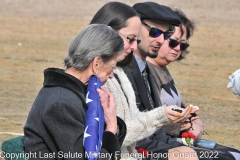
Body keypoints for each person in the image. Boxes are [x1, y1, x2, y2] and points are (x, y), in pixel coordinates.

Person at [91, 2, 199, 160]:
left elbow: (131, 128)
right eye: (155, 32)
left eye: (166, 35)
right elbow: (113, 138)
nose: (162, 40)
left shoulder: (120, 74)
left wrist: (168, 120)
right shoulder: (97, 78)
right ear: (109, 32)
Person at [146, 8, 240, 160]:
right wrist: (184, 127)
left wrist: (194, 120)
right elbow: (150, 119)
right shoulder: (146, 71)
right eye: (173, 42)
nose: (177, 49)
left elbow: (180, 109)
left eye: (183, 45)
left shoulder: (161, 69)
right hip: (162, 146)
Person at [24, 24, 125, 160]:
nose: (112, 75)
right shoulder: (61, 103)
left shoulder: (76, 94)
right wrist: (111, 127)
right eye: (112, 67)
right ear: (97, 63)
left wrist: (109, 121)